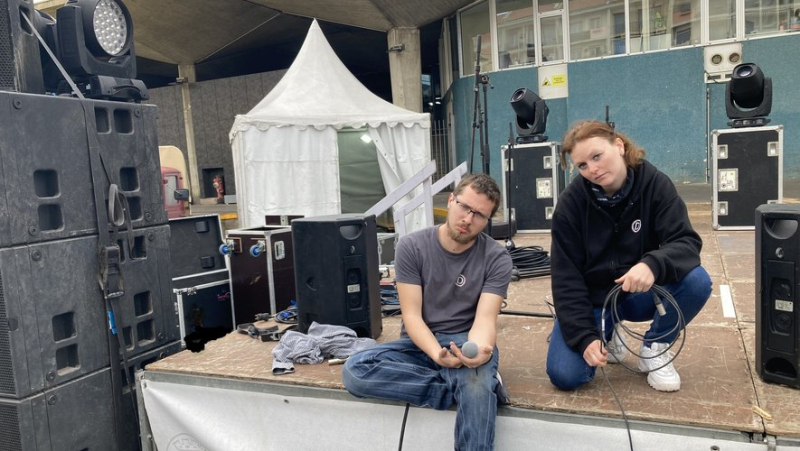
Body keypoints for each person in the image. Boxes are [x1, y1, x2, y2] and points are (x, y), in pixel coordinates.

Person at [342, 173, 513, 451]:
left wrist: (481, 349)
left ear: (488, 218)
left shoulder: (496, 258)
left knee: (475, 387)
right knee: (356, 371)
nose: (468, 219)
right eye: (464, 207)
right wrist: (436, 354)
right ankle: (459, 387)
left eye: (480, 215)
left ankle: (476, 386)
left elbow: (485, 318)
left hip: (464, 338)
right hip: (419, 341)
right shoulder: (412, 246)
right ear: (451, 200)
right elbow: (411, 316)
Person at [546, 120, 712, 393]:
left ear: (619, 146)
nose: (592, 169)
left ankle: (654, 347)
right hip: (595, 301)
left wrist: (652, 264)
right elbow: (566, 279)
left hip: (641, 293)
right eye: (582, 165)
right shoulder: (570, 205)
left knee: (696, 280)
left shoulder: (655, 184)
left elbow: (686, 243)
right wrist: (584, 336)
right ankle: (606, 333)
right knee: (565, 374)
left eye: (597, 156)